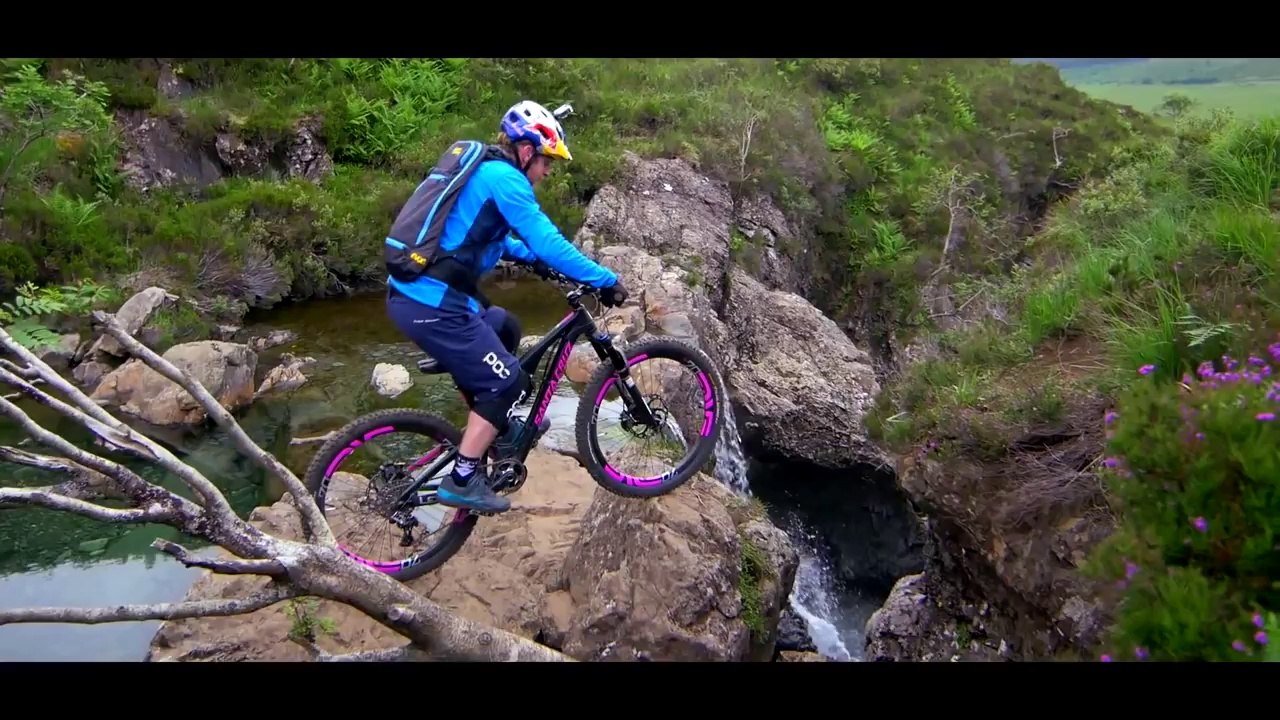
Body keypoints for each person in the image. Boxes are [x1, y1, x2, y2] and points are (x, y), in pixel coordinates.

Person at [385, 100, 628, 514]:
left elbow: (491, 238)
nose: (548, 171)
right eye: (547, 161)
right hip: (432, 304)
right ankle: (462, 478)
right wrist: (604, 280)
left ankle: (496, 430)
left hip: (424, 297)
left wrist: (529, 258)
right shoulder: (507, 180)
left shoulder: (487, 172)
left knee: (505, 326)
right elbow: (548, 240)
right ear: (528, 151)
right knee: (508, 382)